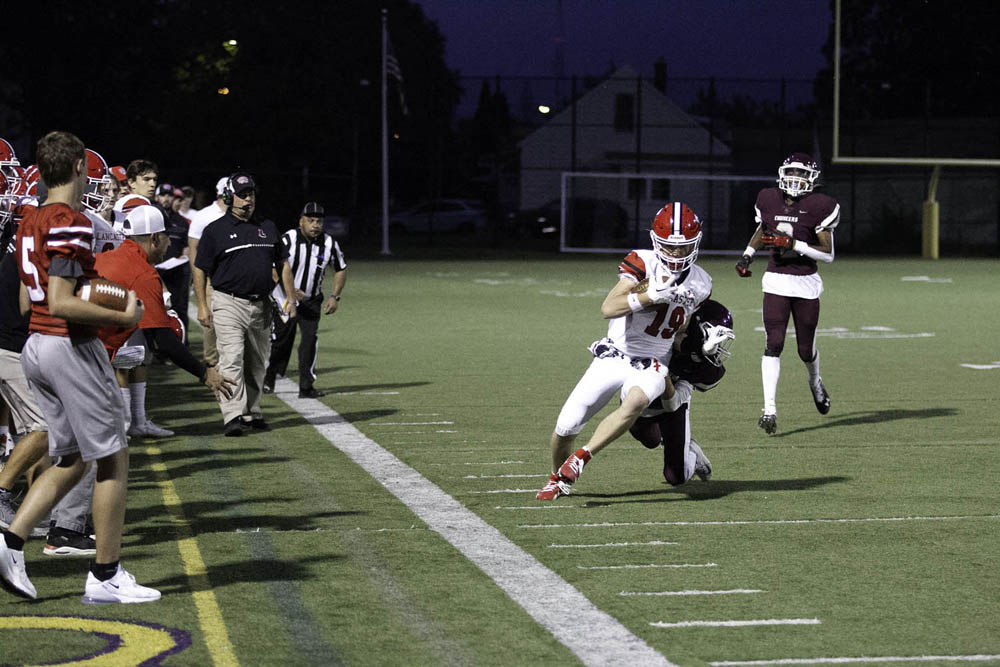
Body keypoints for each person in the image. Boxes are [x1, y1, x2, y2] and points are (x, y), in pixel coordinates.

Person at [1, 130, 159, 603]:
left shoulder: (29, 221)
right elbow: (62, 301)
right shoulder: (69, 220)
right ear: (76, 169)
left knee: (70, 459)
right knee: (114, 456)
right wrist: (122, 312)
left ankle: (10, 543)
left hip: (36, 346)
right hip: (68, 345)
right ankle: (106, 574)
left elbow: (29, 304)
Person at [536, 202, 713, 501]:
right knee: (566, 426)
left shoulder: (702, 282)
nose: (677, 254)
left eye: (684, 248)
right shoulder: (643, 263)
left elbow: (678, 330)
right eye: (670, 247)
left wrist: (702, 342)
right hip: (616, 355)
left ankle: (582, 456)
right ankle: (557, 477)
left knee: (635, 402)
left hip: (655, 362)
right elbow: (609, 308)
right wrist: (651, 295)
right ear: (657, 242)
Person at [735, 152, 840, 435]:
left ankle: (815, 382)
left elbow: (828, 254)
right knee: (774, 343)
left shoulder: (821, 205)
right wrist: (747, 255)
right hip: (776, 280)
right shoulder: (768, 198)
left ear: (812, 179)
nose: (796, 178)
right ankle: (769, 409)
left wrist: (793, 243)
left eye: (802, 174)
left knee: (805, 350)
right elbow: (762, 228)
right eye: (792, 172)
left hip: (805, 282)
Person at [95, 204, 235, 410]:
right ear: (154, 238)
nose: (170, 244)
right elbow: (164, 340)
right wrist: (205, 373)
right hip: (89, 364)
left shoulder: (103, 258)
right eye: (167, 236)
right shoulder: (142, 273)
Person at [193, 171, 298, 436]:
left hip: (261, 304)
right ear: (229, 197)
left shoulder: (268, 226)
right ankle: (232, 415)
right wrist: (203, 306)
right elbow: (200, 269)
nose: (248, 200)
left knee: (257, 361)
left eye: (251, 194)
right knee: (232, 358)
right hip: (229, 302)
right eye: (242, 195)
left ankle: (251, 411)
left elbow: (282, 263)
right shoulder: (215, 230)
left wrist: (289, 298)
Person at [629, 299, 735, 485]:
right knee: (650, 439)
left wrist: (700, 355)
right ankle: (678, 443)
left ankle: (691, 454)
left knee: (676, 477)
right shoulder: (659, 338)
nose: (717, 347)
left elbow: (672, 404)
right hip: (641, 397)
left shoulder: (702, 365)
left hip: (672, 404)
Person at [264, 202, 346, 398]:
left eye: (319, 221)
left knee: (309, 341)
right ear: (301, 221)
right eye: (311, 220)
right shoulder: (288, 239)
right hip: (285, 299)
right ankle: (269, 378)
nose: (315, 225)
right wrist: (289, 291)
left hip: (311, 301)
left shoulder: (329, 243)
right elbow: (272, 267)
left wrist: (335, 296)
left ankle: (306, 386)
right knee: (282, 341)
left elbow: (341, 268)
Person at [186, 176, 229, 367]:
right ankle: (212, 363)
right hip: (213, 275)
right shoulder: (204, 215)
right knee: (211, 323)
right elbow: (193, 248)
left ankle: (232, 363)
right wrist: (199, 277)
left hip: (235, 276)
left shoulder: (242, 216)